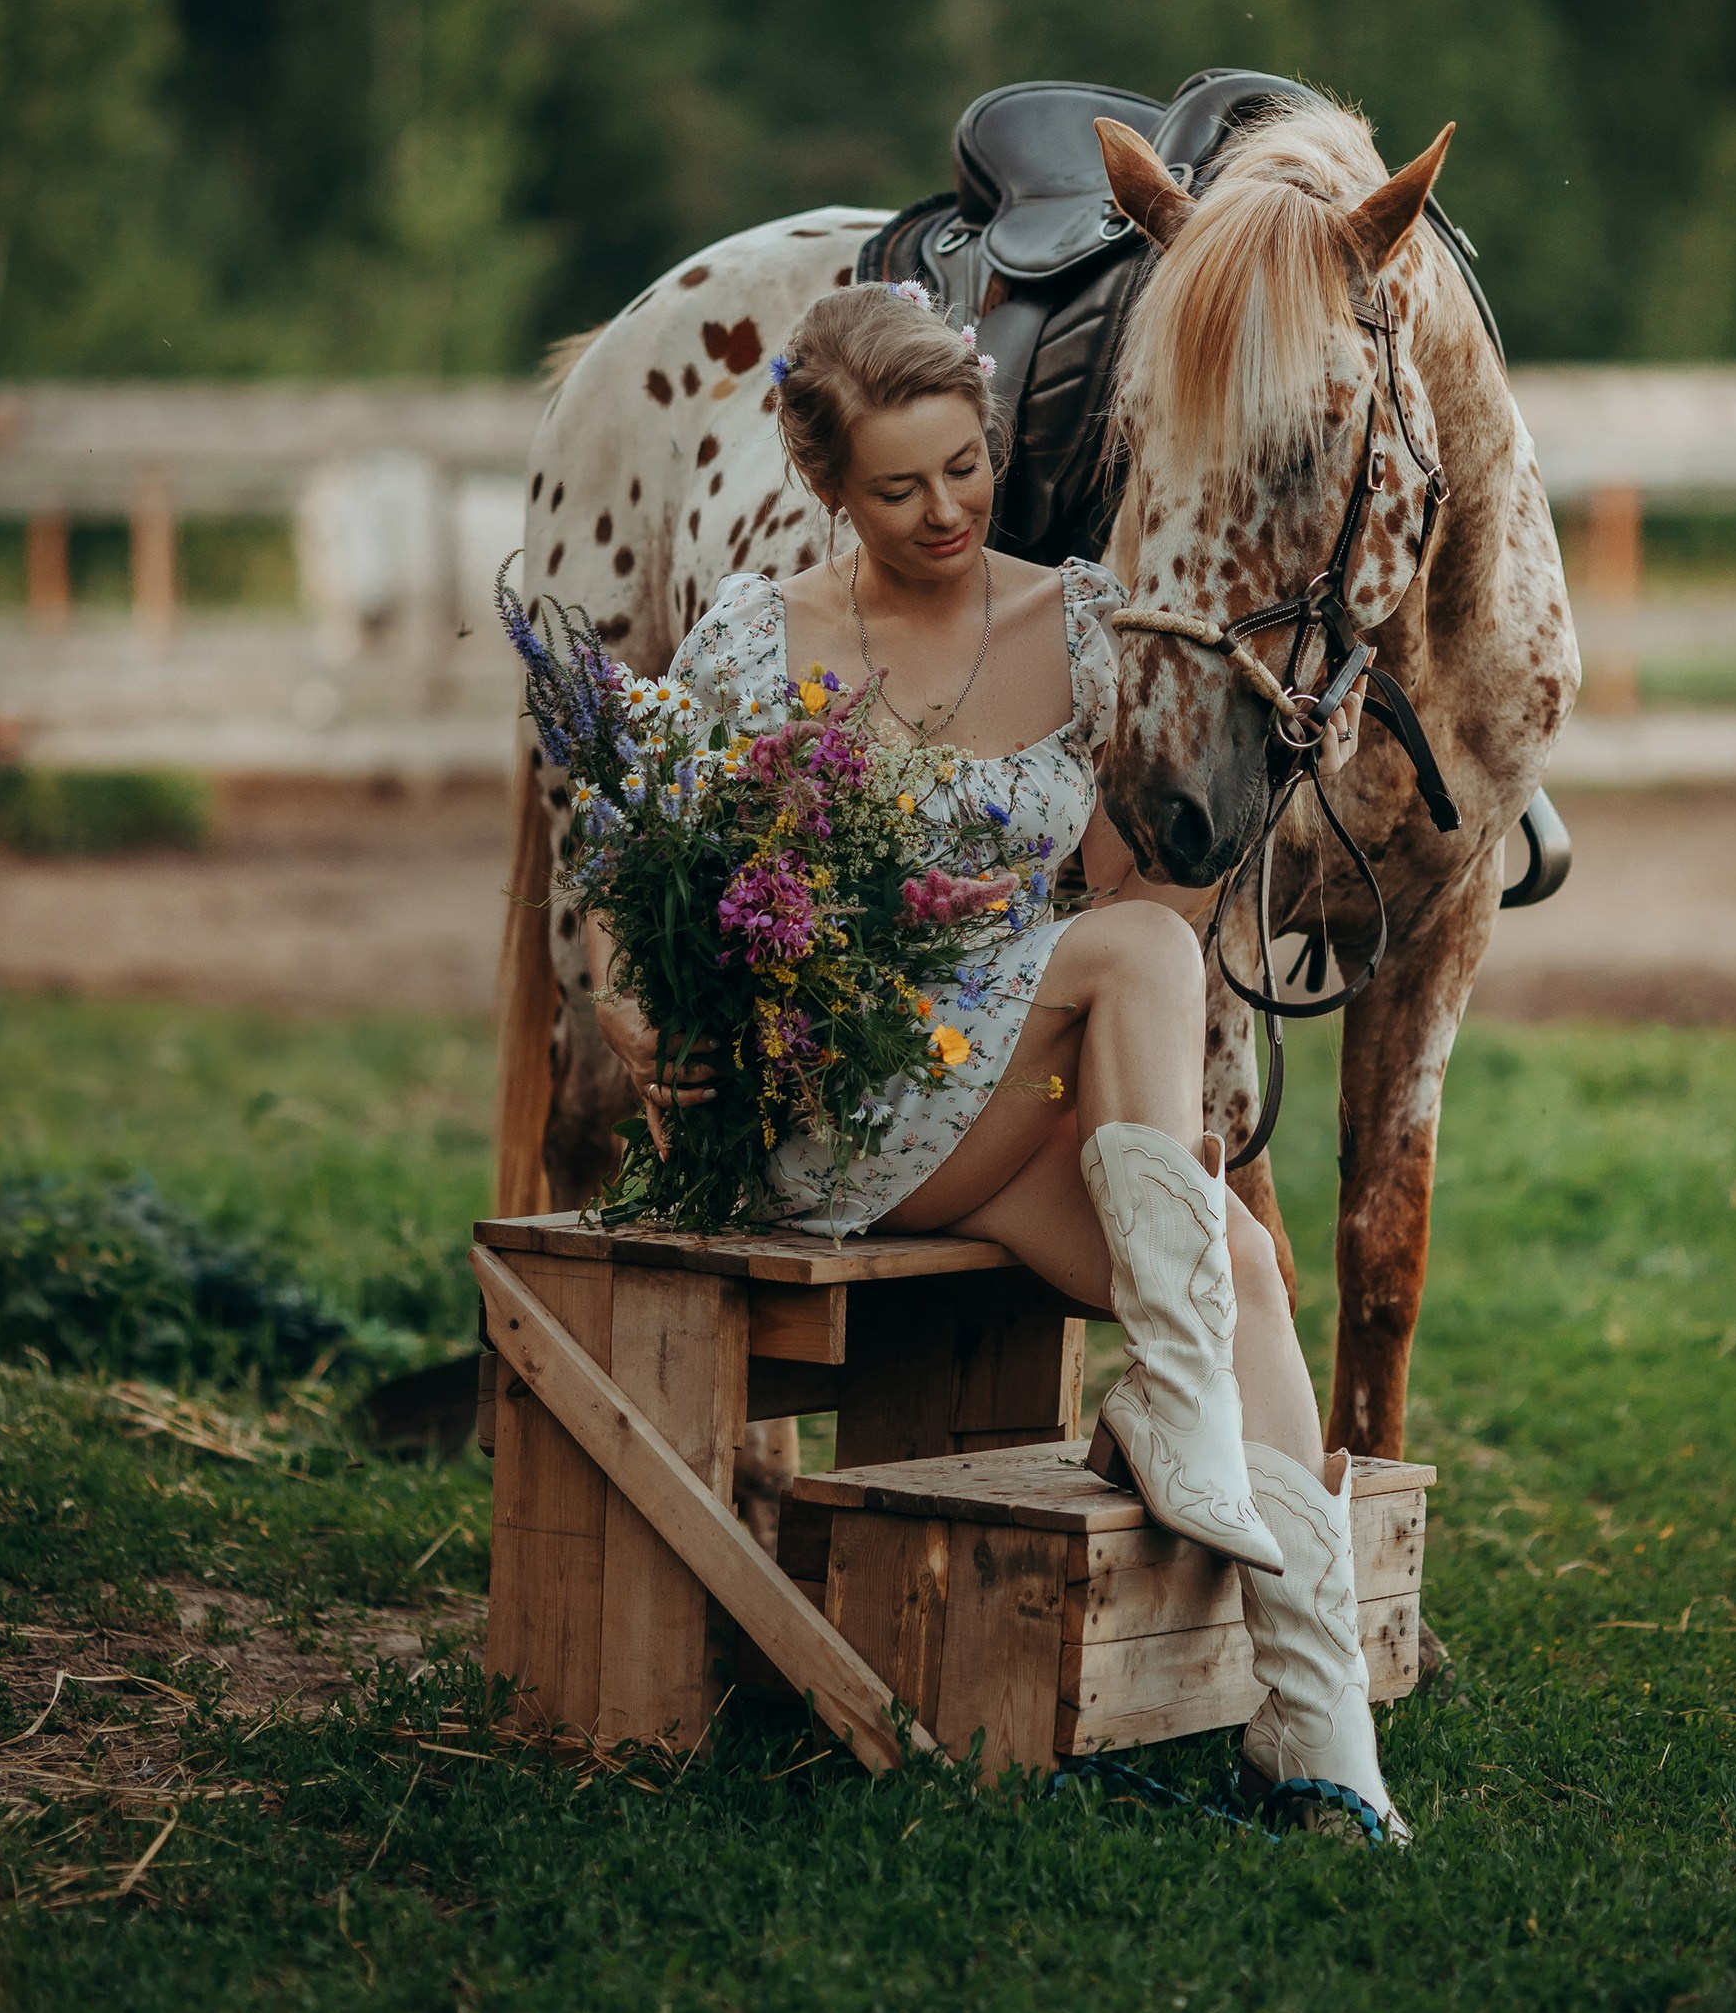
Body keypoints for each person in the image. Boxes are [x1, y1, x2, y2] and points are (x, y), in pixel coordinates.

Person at [590, 280, 1407, 1843]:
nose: (947, 509)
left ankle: (1317, 1731)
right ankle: (1172, 1402)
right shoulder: (756, 643)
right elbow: (631, 901)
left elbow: (1138, 889)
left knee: (1237, 1257)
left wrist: (1279, 768)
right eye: (899, 488)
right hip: (831, 1116)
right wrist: (649, 1027)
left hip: (1008, 1109)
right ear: (828, 484)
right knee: (1134, 958)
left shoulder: (1086, 627)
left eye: (965, 467)